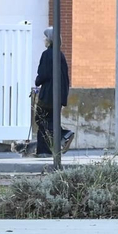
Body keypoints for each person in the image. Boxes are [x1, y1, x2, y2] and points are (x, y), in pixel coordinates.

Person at [34, 27, 74, 156]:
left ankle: (48, 147)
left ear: (50, 40)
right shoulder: (60, 54)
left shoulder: (47, 54)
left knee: (41, 119)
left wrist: (37, 81)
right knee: (51, 120)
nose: (44, 40)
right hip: (59, 95)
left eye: (46, 38)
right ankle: (47, 150)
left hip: (48, 94)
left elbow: (43, 74)